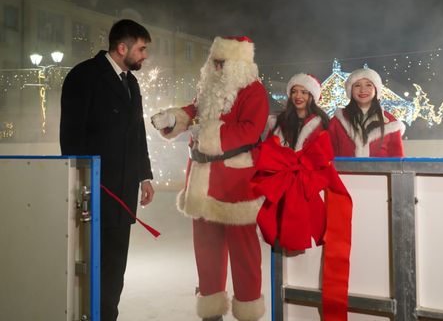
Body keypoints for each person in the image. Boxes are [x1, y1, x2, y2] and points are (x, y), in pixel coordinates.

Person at [151, 36, 268, 321]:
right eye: (214, 61)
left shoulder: (254, 91)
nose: (216, 67)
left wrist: (206, 133)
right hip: (202, 180)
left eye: (222, 62)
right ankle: (211, 310)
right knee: (206, 250)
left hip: (235, 182)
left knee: (244, 253)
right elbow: (195, 110)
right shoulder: (209, 88)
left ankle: (248, 309)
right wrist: (174, 118)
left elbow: (250, 130)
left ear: (238, 64)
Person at [60, 19, 155, 321]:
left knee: (115, 266)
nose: (145, 55)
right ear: (122, 48)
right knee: (89, 262)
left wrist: (144, 175)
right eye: (141, 49)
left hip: (123, 191)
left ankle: (107, 315)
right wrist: (79, 180)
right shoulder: (84, 76)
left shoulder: (131, 82)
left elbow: (137, 132)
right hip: (93, 190)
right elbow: (71, 135)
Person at [252, 73, 352, 321]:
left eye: (304, 92)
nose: (298, 96)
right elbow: (266, 151)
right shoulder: (276, 121)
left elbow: (326, 155)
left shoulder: (322, 123)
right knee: (276, 236)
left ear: (312, 97)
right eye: (295, 91)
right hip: (281, 184)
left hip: (307, 184)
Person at [329, 67, 405, 157]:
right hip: (345, 167)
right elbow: (329, 155)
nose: (363, 90)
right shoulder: (338, 121)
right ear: (350, 90)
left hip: (380, 167)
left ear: (376, 90)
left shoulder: (391, 122)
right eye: (357, 85)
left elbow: (398, 159)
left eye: (368, 85)